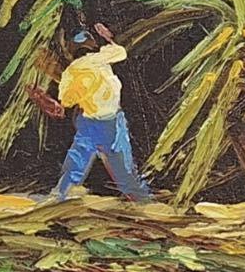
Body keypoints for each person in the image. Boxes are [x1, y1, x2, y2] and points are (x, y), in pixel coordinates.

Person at [28, 23, 152, 202]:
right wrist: (108, 38)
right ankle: (143, 200)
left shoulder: (72, 72)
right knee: (124, 171)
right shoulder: (101, 58)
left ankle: (58, 195)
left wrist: (47, 99)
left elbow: (67, 101)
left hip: (92, 122)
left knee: (76, 164)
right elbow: (121, 52)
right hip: (111, 120)